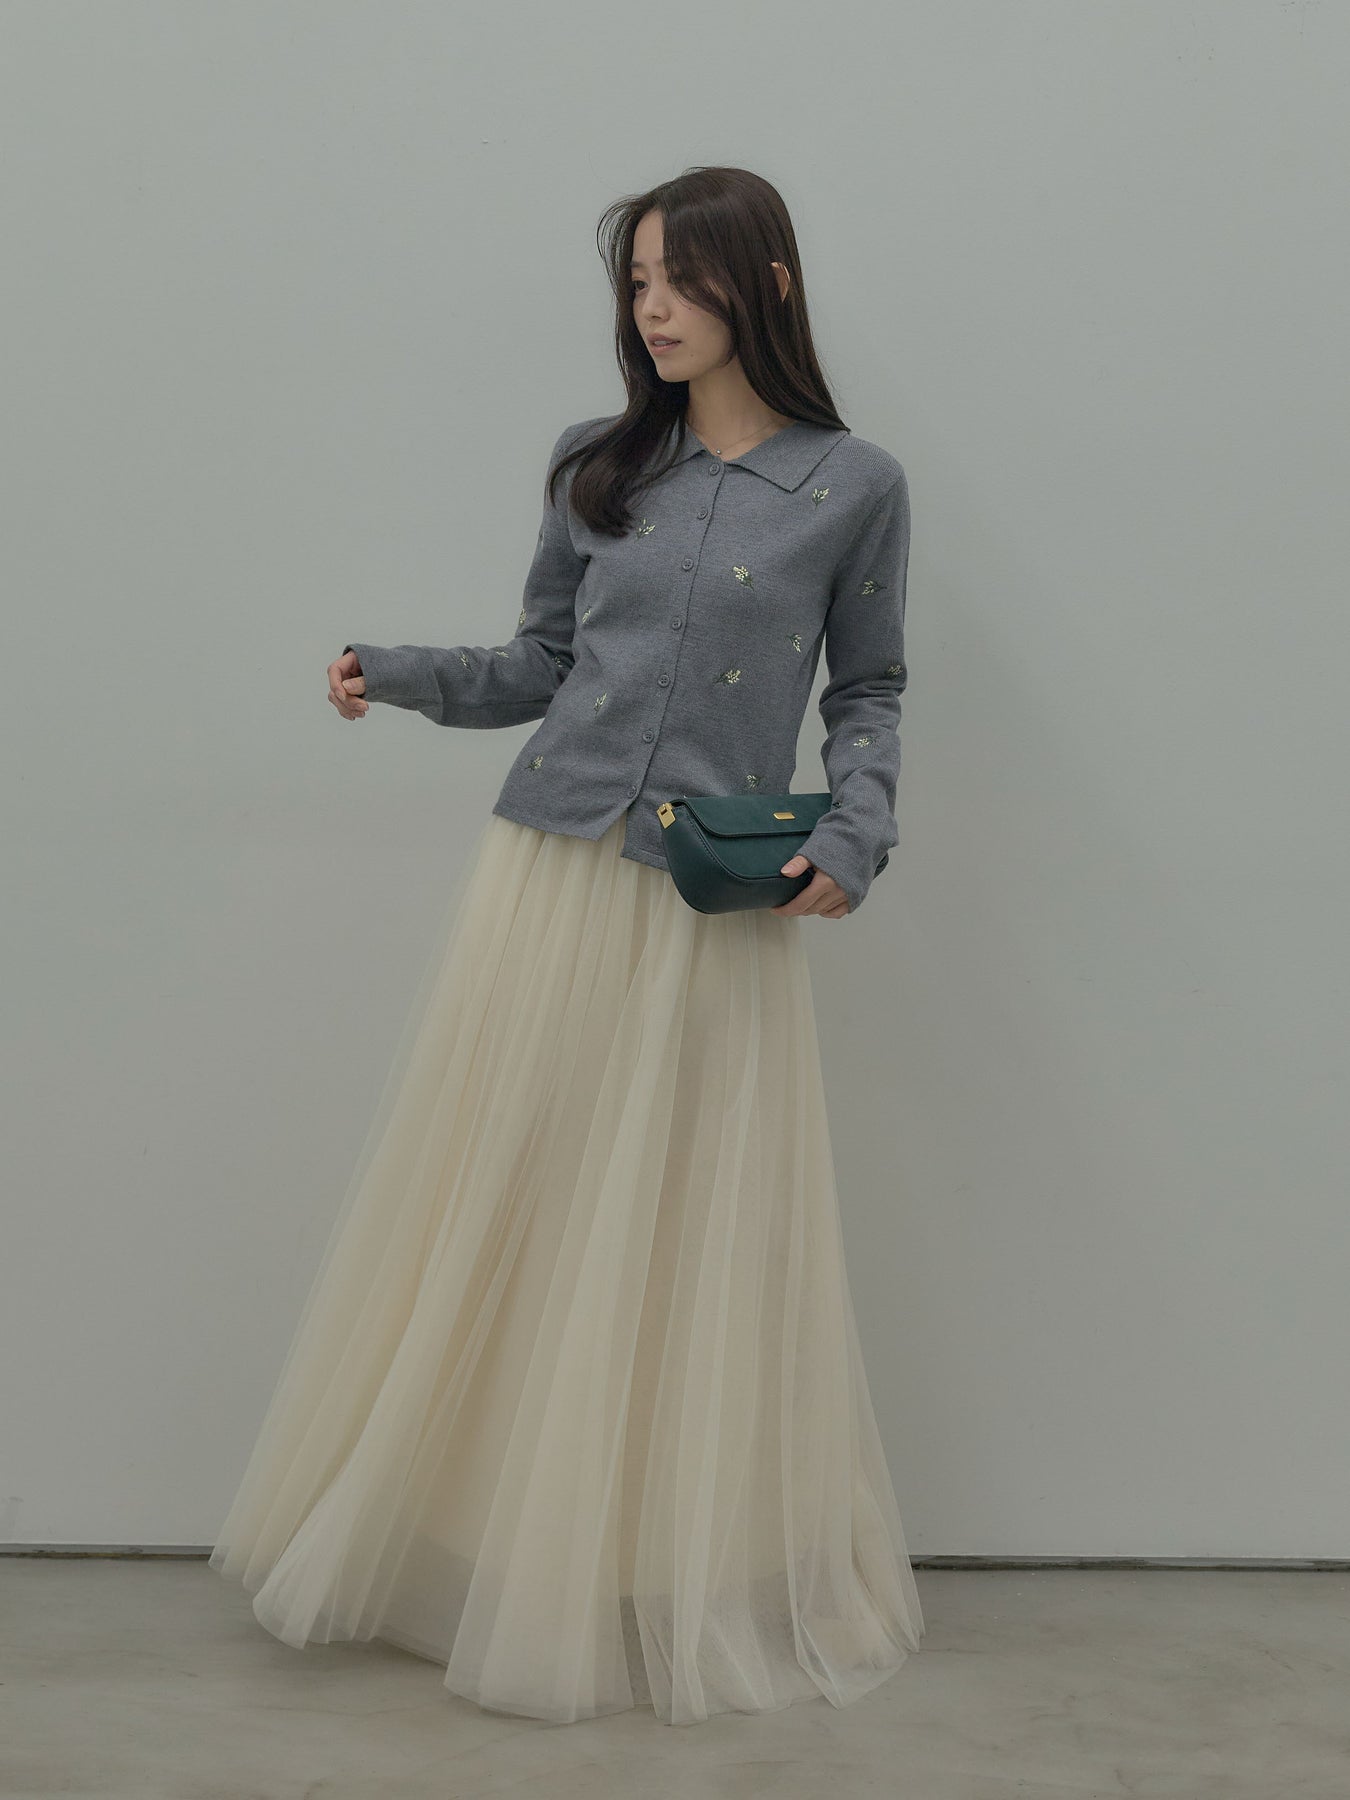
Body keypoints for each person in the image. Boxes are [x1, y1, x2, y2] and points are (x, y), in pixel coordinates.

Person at [209, 164, 924, 1727]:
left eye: (679, 278)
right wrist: (394, 671)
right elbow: (537, 663)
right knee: (513, 1197)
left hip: (704, 897)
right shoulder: (597, 466)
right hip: (544, 878)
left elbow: (867, 690)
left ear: (766, 285)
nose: (650, 308)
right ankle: (490, 1552)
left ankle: (655, 1556)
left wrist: (854, 833)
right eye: (636, 282)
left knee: (679, 1216)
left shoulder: (853, 484)